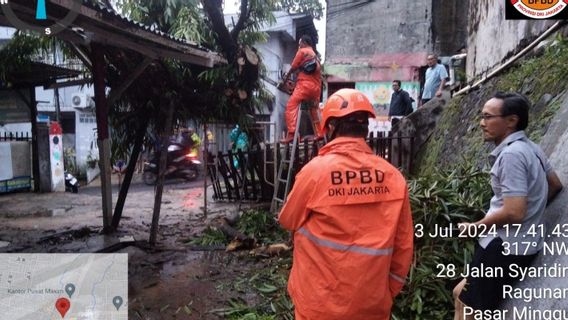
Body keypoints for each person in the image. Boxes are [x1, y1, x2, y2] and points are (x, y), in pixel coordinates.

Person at [278, 88, 414, 320]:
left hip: (317, 304)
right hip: (371, 305)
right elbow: (403, 246)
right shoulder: (393, 177)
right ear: (365, 129)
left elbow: (288, 220)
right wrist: (387, 293)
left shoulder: (315, 173)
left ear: (330, 128)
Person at [453, 92, 563, 319]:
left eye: (488, 117)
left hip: (503, 248)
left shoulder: (512, 155)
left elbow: (515, 211)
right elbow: (554, 185)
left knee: (470, 310)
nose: (482, 123)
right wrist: (534, 209)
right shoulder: (531, 148)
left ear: (511, 121)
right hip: (517, 244)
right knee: (459, 293)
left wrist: (476, 226)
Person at [280, 34, 323, 143]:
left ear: (304, 43)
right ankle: (319, 133)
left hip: (304, 86)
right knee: (314, 110)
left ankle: (292, 133)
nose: (299, 46)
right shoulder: (316, 56)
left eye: (300, 44)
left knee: (291, 106)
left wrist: (285, 80)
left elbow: (293, 67)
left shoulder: (302, 51)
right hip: (316, 89)